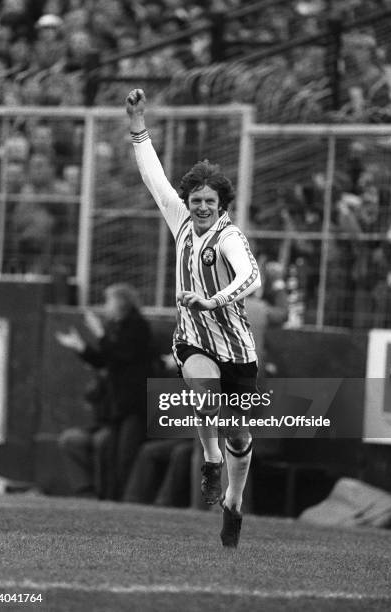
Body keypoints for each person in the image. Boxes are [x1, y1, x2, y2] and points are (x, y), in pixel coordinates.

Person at [126, 89, 261, 547]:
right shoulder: (180, 221)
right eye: (196, 200)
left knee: (240, 436)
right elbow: (154, 177)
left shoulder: (230, 238)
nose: (201, 207)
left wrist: (213, 300)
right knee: (204, 395)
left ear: (222, 205)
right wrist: (138, 122)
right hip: (193, 341)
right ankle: (209, 459)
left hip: (237, 348)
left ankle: (233, 503)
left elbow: (251, 277)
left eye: (209, 201)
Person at [56, 282, 154, 499]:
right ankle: (106, 496)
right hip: (117, 406)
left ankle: (124, 499)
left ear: (122, 302)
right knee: (111, 451)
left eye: (109, 301)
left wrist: (99, 332)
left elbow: (120, 355)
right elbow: (105, 360)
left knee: (125, 454)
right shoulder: (115, 328)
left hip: (134, 404)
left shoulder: (137, 327)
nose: (105, 306)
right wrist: (80, 347)